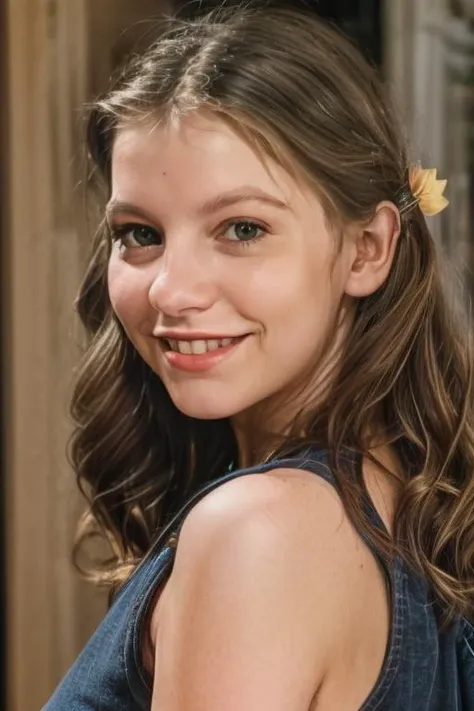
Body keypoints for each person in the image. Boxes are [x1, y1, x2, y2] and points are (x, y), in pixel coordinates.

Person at [43, 2, 474, 710]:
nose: (172, 290)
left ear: (368, 249)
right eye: (139, 233)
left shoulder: (258, 534)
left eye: (242, 227)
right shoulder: (405, 507)